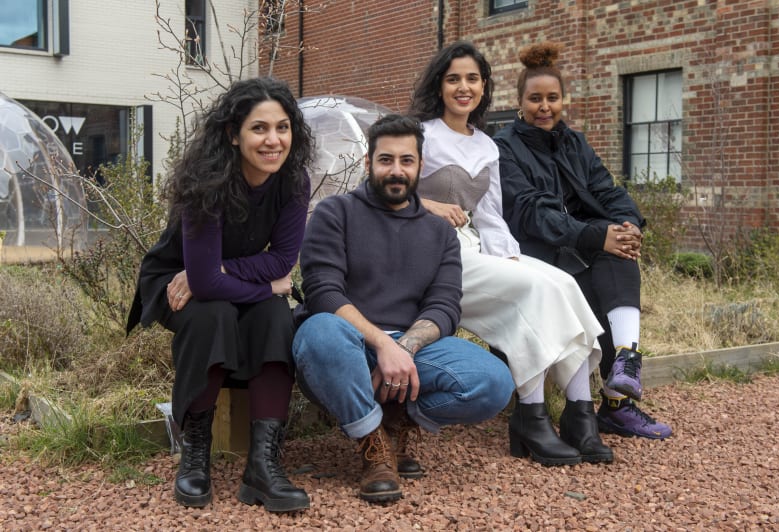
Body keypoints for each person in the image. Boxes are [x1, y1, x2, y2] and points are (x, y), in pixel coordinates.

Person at [292, 114, 515, 503]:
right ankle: (374, 444)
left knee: (494, 382)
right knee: (318, 332)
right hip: (346, 346)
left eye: (406, 160)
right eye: (386, 160)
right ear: (368, 163)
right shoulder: (334, 214)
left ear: (420, 165)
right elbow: (323, 293)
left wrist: (404, 348)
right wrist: (383, 346)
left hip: (412, 350)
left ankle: (393, 422)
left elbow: (445, 307)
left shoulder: (441, 232)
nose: (396, 170)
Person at [409, 41, 613, 467]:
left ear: (484, 86)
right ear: (439, 85)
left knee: (561, 283)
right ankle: (531, 418)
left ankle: (580, 415)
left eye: (472, 79)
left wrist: (511, 256)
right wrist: (428, 205)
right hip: (430, 254)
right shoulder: (420, 135)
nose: (463, 87)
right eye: (453, 79)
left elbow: (490, 215)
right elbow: (381, 190)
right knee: (531, 291)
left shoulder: (487, 145)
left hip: (476, 248)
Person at [126, 77, 314, 512]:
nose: (273, 140)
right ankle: (195, 452)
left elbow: (282, 261)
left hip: (219, 276)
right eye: (259, 128)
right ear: (233, 134)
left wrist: (227, 270)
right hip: (175, 281)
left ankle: (263, 465)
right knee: (213, 313)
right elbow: (206, 285)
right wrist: (259, 282)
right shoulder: (206, 180)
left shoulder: (293, 181)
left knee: (274, 316)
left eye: (282, 127)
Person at [494, 42, 672, 440]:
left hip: (577, 248)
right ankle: (607, 402)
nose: (544, 107)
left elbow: (607, 190)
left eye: (552, 98)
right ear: (519, 102)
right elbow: (531, 212)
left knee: (620, 254)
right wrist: (597, 236)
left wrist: (628, 225)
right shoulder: (505, 148)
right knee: (595, 277)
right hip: (534, 254)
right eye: (535, 99)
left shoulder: (574, 143)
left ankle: (622, 381)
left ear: (563, 100)